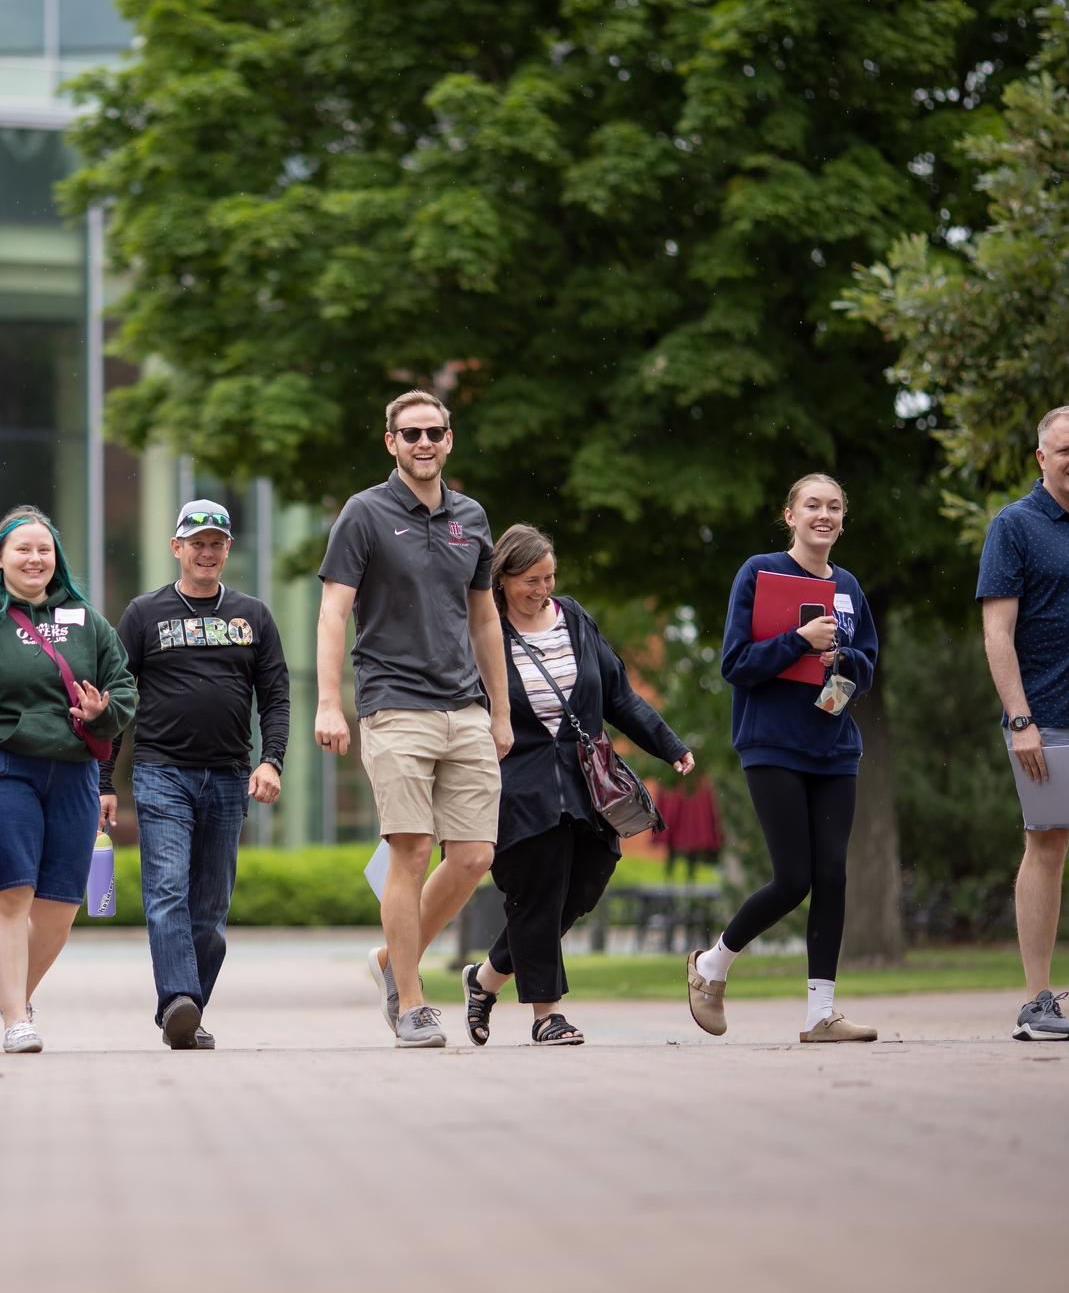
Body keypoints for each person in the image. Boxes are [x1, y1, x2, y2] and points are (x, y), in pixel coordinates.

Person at [315, 390, 511, 1049]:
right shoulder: (364, 514)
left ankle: (386, 961)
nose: (423, 443)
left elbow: (485, 617)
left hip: (466, 709)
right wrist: (327, 701)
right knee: (412, 848)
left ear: (450, 440)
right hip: (394, 703)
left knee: (475, 854)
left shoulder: (472, 518)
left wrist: (500, 710)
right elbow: (334, 612)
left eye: (434, 433)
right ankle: (412, 1001)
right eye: (411, 434)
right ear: (391, 442)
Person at [460, 525, 693, 1046]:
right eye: (530, 580)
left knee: (586, 882)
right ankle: (548, 1015)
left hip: (585, 781)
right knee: (536, 894)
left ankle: (485, 979)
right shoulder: (482, 629)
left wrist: (669, 744)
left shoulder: (575, 620)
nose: (542, 589)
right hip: (517, 782)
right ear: (502, 578)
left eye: (549, 577)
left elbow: (618, 695)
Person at [0, 505, 137, 1053]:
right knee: (12, 893)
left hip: (73, 773)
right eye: (22, 549)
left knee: (63, 902)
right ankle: (17, 1019)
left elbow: (126, 689)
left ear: (56, 559)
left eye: (44, 549)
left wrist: (102, 713)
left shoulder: (88, 622)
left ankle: (12, 993)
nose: (34, 558)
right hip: (0, 767)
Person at [687, 473, 880, 1043]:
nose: (825, 515)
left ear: (844, 519)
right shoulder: (759, 572)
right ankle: (712, 965)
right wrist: (800, 640)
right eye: (813, 505)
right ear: (790, 514)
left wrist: (842, 659)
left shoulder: (849, 586)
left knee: (832, 875)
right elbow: (736, 663)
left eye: (835, 507)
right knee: (793, 878)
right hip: (772, 743)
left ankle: (821, 1013)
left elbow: (868, 664)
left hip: (835, 745)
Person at [100, 498, 290, 1049]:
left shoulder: (253, 616)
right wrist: (105, 780)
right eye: (196, 543)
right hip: (162, 773)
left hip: (230, 777)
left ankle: (188, 1012)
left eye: (216, 543)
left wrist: (272, 759)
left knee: (210, 909)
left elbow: (276, 696)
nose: (206, 552)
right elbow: (117, 700)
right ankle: (177, 1000)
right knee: (166, 890)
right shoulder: (143, 614)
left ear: (227, 549)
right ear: (176, 548)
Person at [976, 405, 1069, 1042]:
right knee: (1048, 845)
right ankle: (1038, 1002)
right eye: (1065, 451)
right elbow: (997, 631)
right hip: (1052, 722)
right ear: (1041, 458)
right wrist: (1021, 720)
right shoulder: (1015, 525)